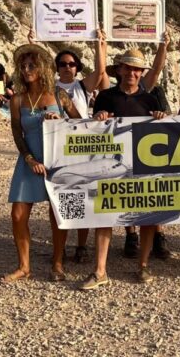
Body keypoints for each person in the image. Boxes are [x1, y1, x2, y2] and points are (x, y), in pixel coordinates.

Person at [77, 49, 167, 290]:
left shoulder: (151, 99)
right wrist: (99, 116)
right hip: (112, 165)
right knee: (105, 214)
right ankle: (100, 270)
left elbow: (163, 130)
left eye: (137, 69)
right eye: (128, 68)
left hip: (144, 165)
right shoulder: (105, 96)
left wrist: (160, 117)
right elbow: (94, 125)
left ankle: (144, 265)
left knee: (148, 216)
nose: (132, 73)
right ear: (118, 70)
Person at [1, 44, 81, 283]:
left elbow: (80, 125)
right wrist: (29, 159)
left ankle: (57, 262)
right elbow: (17, 134)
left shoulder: (59, 95)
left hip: (58, 160)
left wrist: (61, 120)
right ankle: (24, 266)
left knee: (57, 212)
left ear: (43, 67)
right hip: (29, 160)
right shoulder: (17, 99)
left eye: (32, 65)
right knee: (18, 214)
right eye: (23, 66)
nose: (26, 70)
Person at [54, 30, 110, 263]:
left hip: (83, 148)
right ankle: (62, 247)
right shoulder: (50, 88)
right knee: (65, 197)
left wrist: (98, 45)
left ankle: (82, 245)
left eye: (72, 64)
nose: (68, 67)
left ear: (77, 67)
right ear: (57, 68)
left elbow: (100, 72)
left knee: (84, 195)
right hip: (59, 148)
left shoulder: (81, 87)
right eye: (63, 64)